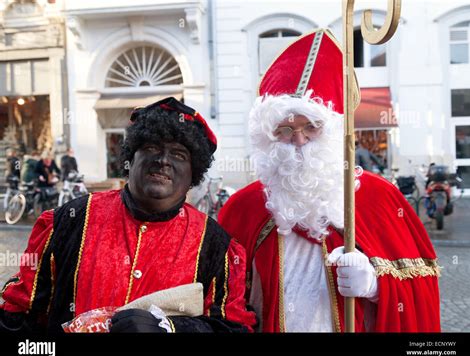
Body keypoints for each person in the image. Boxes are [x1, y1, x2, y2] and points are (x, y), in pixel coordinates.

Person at [218, 29, 440, 332]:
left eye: (311, 126)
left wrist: (377, 284)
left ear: (333, 131)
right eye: (284, 128)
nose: (298, 139)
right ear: (266, 136)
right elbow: (220, 302)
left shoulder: (380, 197)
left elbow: (422, 292)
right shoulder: (243, 207)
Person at [0, 97, 255, 334]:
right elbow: (19, 315)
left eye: (179, 154)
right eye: (152, 147)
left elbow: (231, 327)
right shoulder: (68, 222)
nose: (163, 160)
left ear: (193, 173)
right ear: (131, 158)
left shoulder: (216, 245)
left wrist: (170, 328)